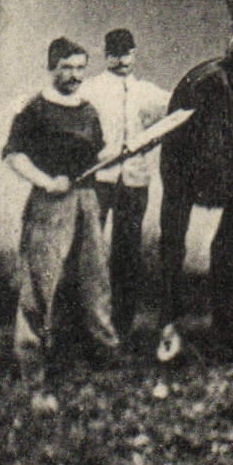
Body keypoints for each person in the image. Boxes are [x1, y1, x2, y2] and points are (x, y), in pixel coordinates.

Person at [3, 37, 120, 391]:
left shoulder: (88, 110)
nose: (74, 75)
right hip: (50, 205)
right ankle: (31, 362)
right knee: (40, 282)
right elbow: (13, 155)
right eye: (67, 67)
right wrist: (45, 180)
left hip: (87, 200)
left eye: (80, 67)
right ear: (52, 67)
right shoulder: (35, 110)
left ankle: (104, 351)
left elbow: (96, 155)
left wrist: (120, 152)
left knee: (95, 279)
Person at [80, 28, 171, 341]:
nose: (121, 59)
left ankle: (122, 326)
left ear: (135, 53)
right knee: (89, 250)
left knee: (128, 252)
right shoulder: (90, 90)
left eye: (127, 52)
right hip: (100, 179)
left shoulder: (148, 92)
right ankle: (88, 325)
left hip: (134, 180)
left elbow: (173, 113)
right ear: (106, 56)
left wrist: (153, 137)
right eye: (115, 53)